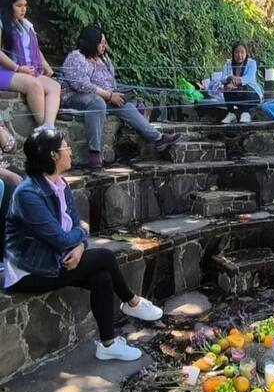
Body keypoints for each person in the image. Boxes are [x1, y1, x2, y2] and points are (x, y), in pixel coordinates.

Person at [4, 130, 164, 361]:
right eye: (65, 147)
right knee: (105, 258)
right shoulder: (28, 195)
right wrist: (82, 233)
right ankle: (132, 301)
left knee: (102, 278)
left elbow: (74, 228)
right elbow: (65, 235)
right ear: (52, 155)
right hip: (30, 270)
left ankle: (108, 345)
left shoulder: (59, 183)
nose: (70, 151)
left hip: (58, 257)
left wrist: (79, 246)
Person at [60, 26, 180, 169]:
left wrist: (116, 94)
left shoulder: (104, 59)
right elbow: (82, 85)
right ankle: (94, 154)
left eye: (105, 42)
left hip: (104, 97)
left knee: (125, 105)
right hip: (75, 97)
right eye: (101, 42)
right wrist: (109, 95)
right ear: (91, 42)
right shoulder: (76, 57)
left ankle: (158, 139)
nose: (104, 45)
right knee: (97, 103)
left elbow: (111, 82)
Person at [0, 0, 61, 132]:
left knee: (54, 87)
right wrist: (17, 68)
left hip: (26, 71)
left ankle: (49, 124)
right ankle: (43, 129)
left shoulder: (26, 25)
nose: (23, 9)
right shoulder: (1, 24)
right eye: (19, 6)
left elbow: (36, 49)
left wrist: (46, 66)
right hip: (5, 72)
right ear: (8, 7)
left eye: (25, 6)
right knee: (34, 84)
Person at [220, 42, 262, 125]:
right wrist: (230, 78)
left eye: (242, 52)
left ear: (246, 53)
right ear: (233, 53)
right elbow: (222, 79)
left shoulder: (252, 63)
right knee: (226, 86)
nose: (239, 55)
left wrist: (237, 81)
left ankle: (246, 113)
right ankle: (231, 114)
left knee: (244, 87)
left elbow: (249, 78)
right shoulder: (228, 64)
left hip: (252, 96)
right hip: (236, 95)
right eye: (236, 52)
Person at [0, 120, 22, 272]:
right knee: (9, 188)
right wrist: (8, 174)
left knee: (32, 182)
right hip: (2, 172)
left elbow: (12, 147)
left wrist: (1, 131)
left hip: (3, 167)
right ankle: (3, 252)